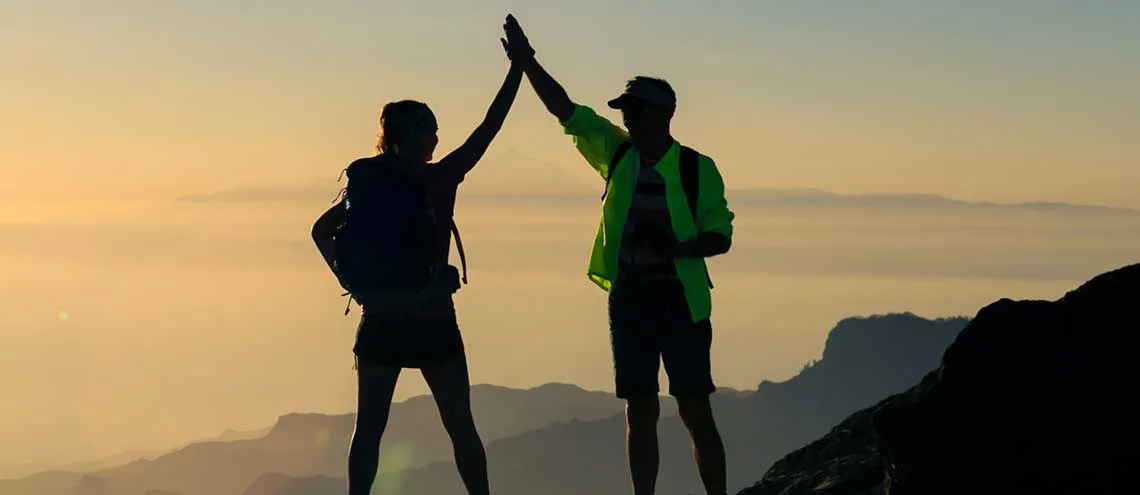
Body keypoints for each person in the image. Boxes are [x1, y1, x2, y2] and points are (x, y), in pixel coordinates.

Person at [501, 14, 735, 495]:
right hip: (629, 299)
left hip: (680, 300)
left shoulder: (695, 168)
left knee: (693, 408)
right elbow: (565, 111)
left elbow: (721, 233)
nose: (628, 117)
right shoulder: (618, 153)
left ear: (663, 114)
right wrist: (528, 64)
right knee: (640, 407)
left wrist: (680, 248)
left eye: (637, 110)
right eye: (627, 109)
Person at [310, 50, 525, 495]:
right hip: (432, 317)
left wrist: (354, 284)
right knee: (461, 427)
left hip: (381, 317)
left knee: (369, 429)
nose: (438, 135)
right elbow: (490, 128)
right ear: (413, 135)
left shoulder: (368, 183)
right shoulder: (439, 179)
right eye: (431, 128)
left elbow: (321, 231)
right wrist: (518, 69)